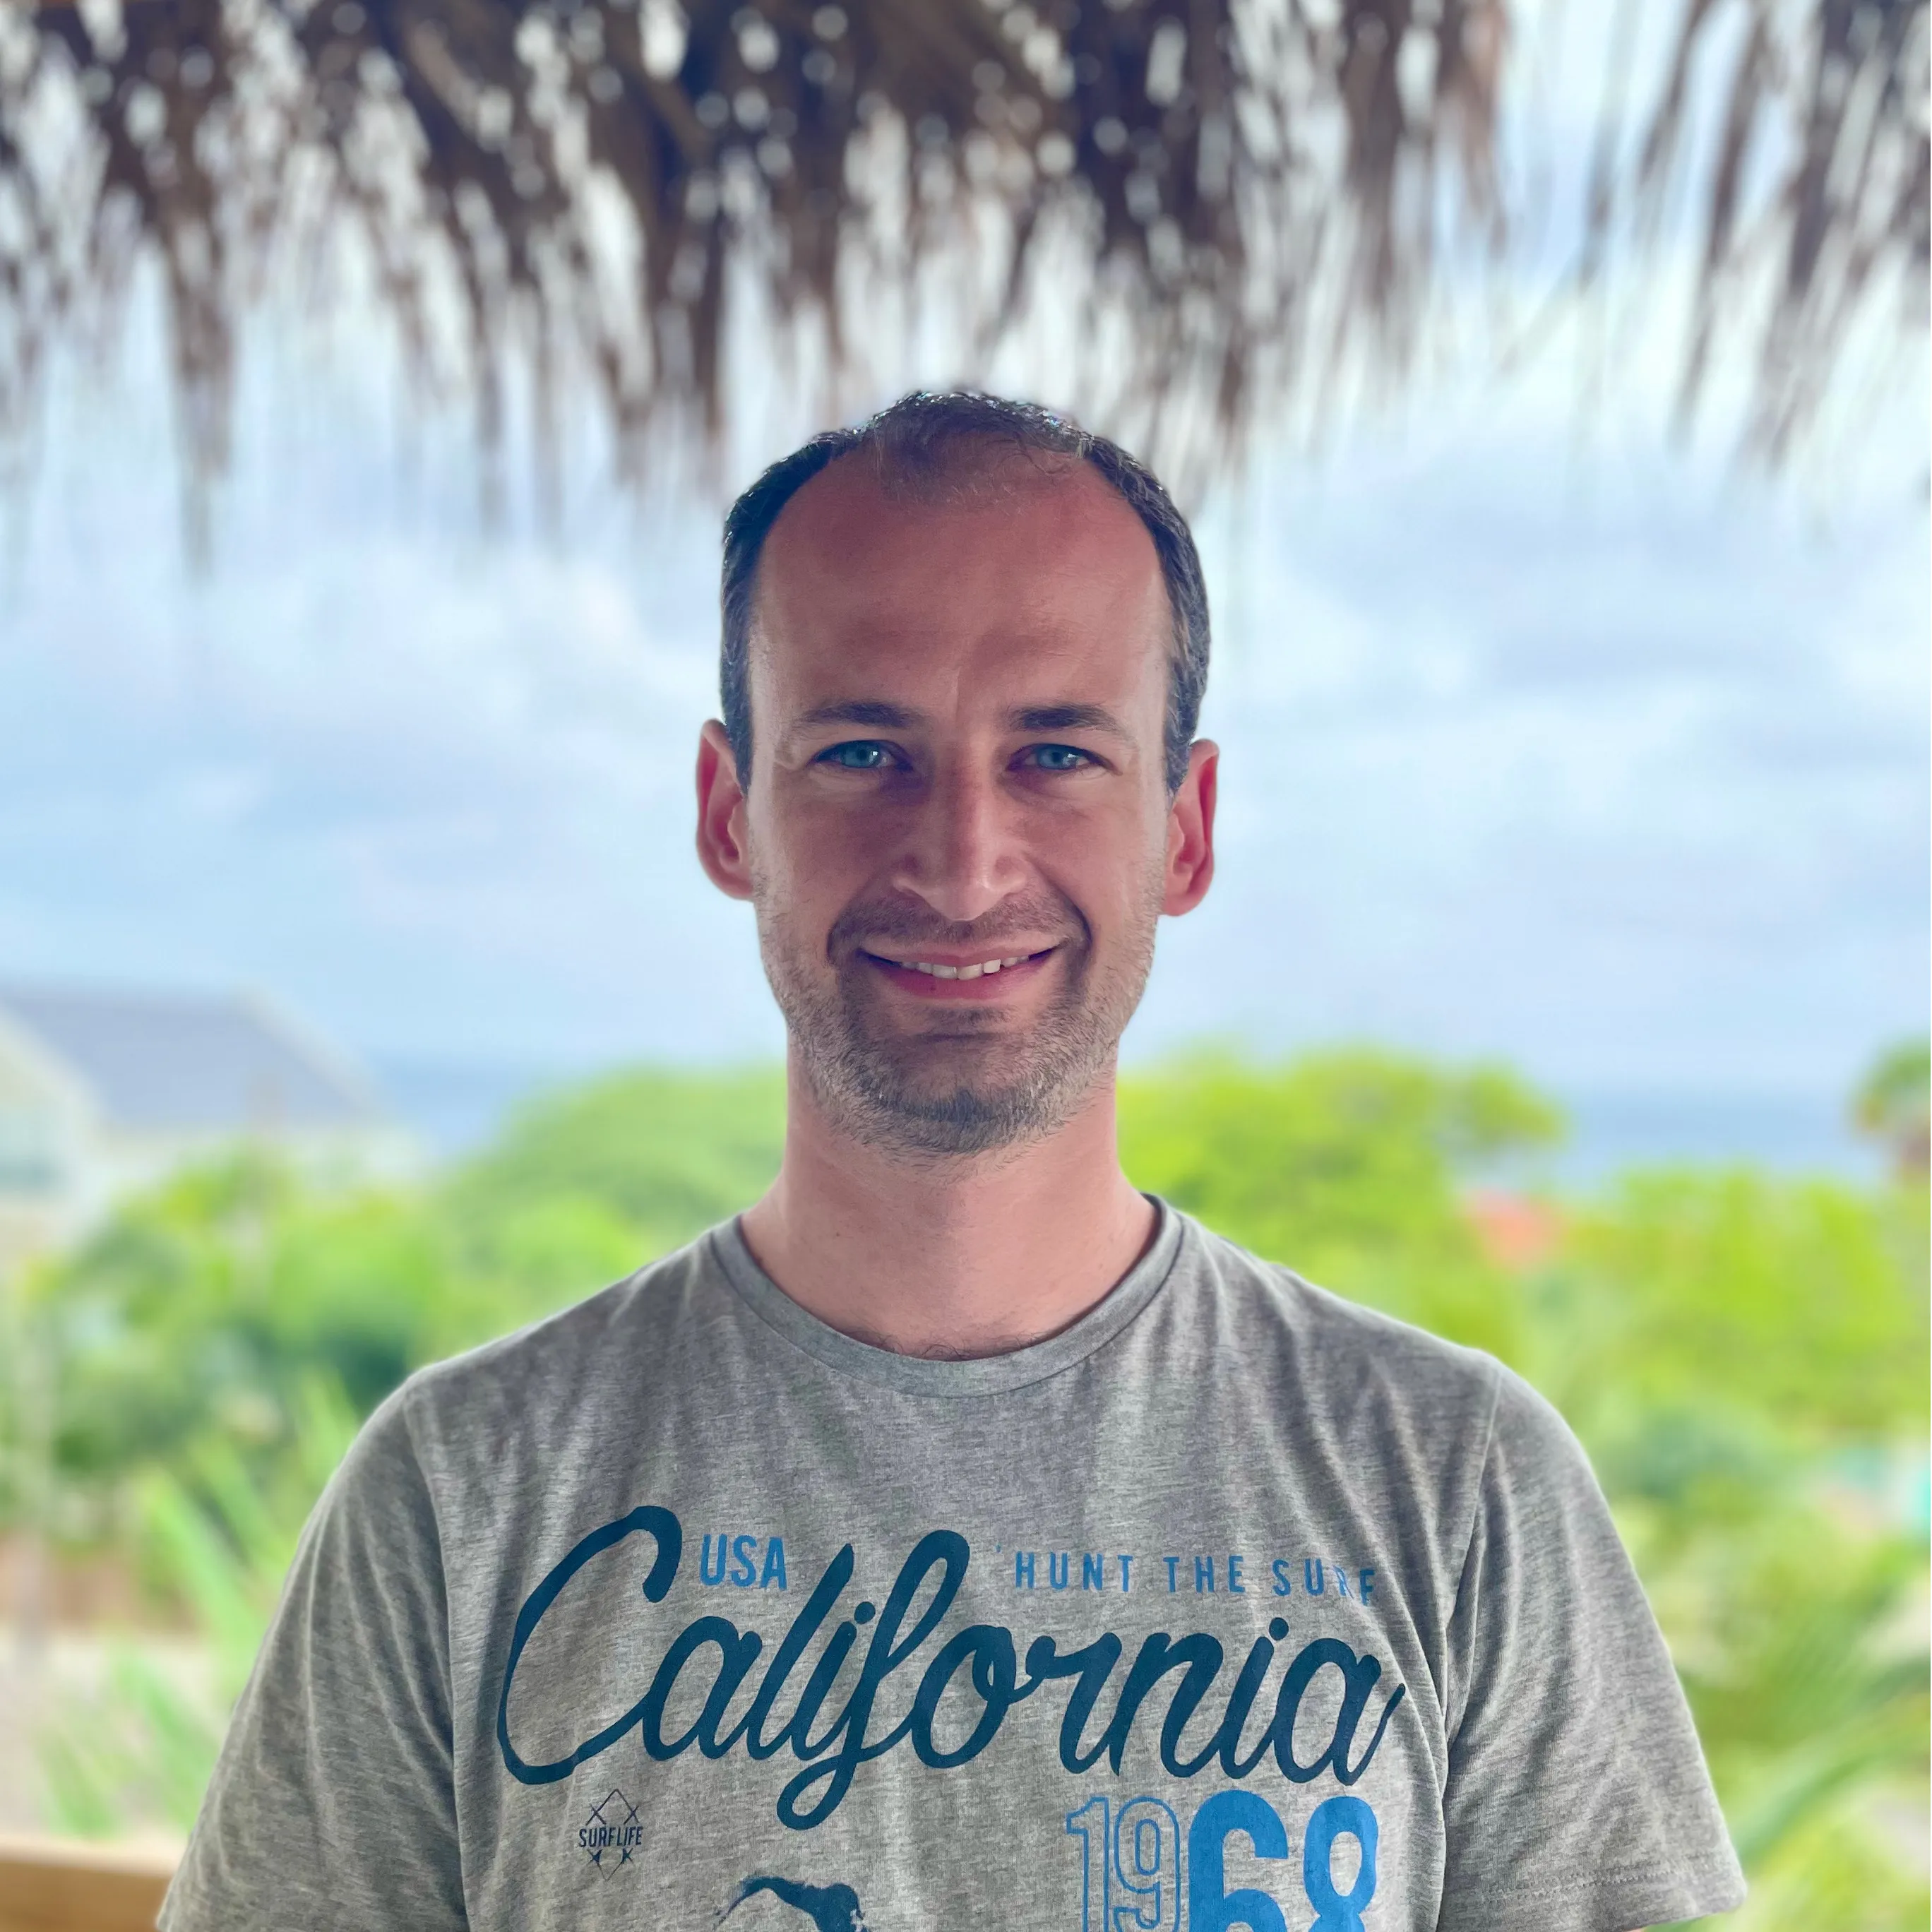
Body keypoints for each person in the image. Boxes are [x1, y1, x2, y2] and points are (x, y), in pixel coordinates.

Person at [161, 393, 1745, 1932]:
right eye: (865, 752)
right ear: (730, 815)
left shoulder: (1456, 1485)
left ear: (1186, 829)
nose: (964, 863)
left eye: (1056, 755)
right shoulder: (462, 1491)